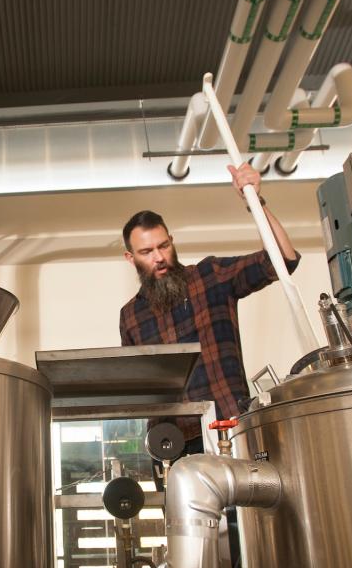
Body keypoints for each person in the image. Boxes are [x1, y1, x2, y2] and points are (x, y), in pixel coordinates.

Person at [118, 163, 301, 452]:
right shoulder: (130, 315)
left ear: (172, 242)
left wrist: (254, 201)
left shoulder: (211, 276)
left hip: (229, 431)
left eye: (163, 246)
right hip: (172, 443)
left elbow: (283, 259)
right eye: (147, 251)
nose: (159, 257)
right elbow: (139, 388)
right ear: (131, 258)